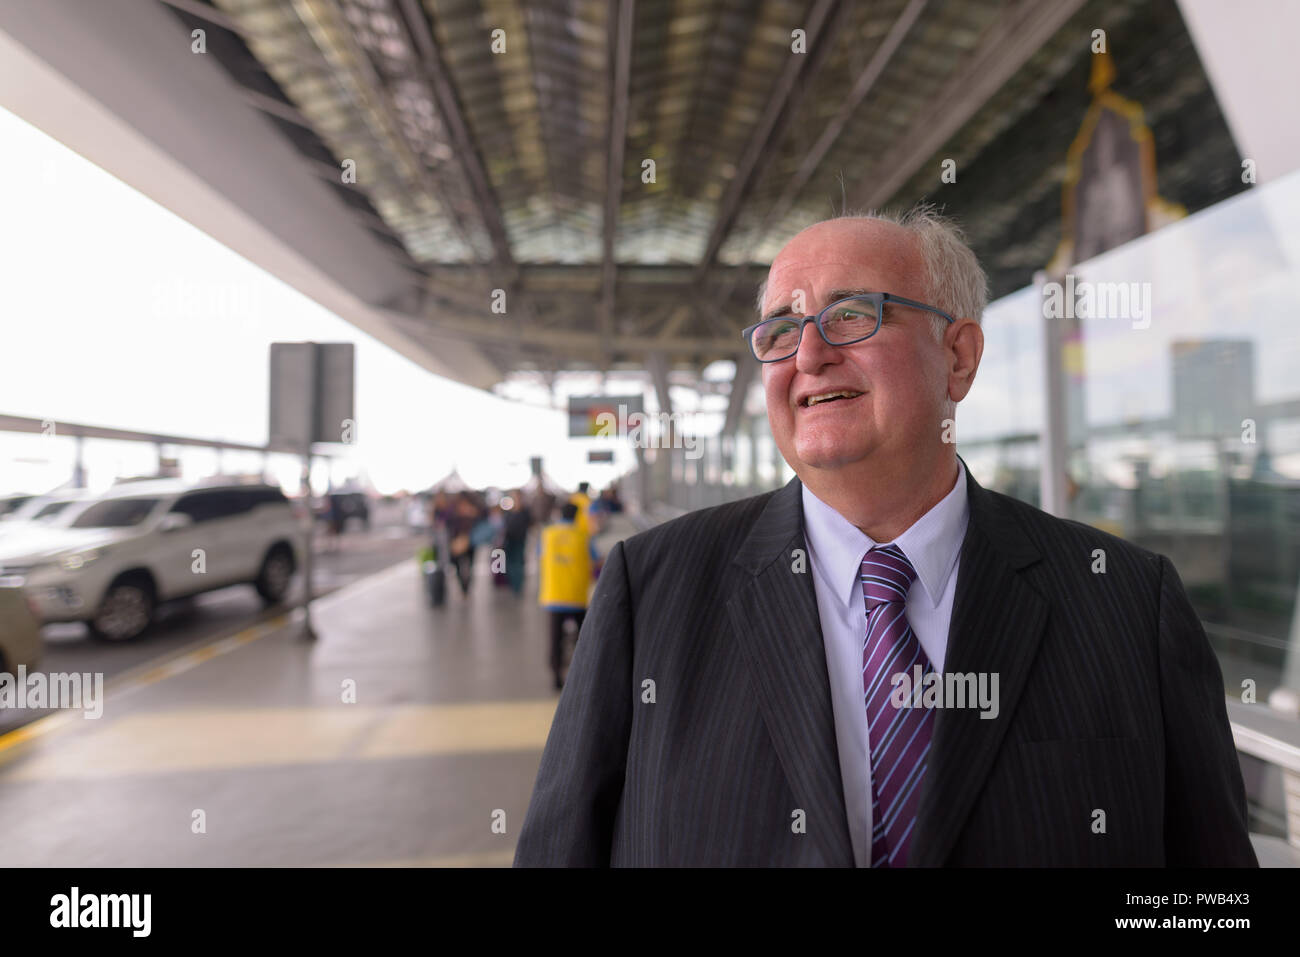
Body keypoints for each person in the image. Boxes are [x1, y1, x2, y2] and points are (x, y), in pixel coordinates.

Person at [515, 206, 1257, 867]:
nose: (807, 357)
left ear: (958, 357)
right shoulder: (652, 590)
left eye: (851, 315)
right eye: (780, 330)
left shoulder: (1126, 600)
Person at [537, 502, 597, 691]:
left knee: (555, 638)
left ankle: (556, 675)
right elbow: (596, 560)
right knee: (583, 638)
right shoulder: (583, 536)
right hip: (577, 595)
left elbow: (540, 555)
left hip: (554, 594)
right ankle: (583, 673)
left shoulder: (547, 535)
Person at [502, 490, 532, 596]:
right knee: (509, 563)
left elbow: (529, 524)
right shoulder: (508, 512)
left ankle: (517, 586)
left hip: (519, 540)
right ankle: (513, 584)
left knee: (518, 563)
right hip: (509, 541)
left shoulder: (525, 512)